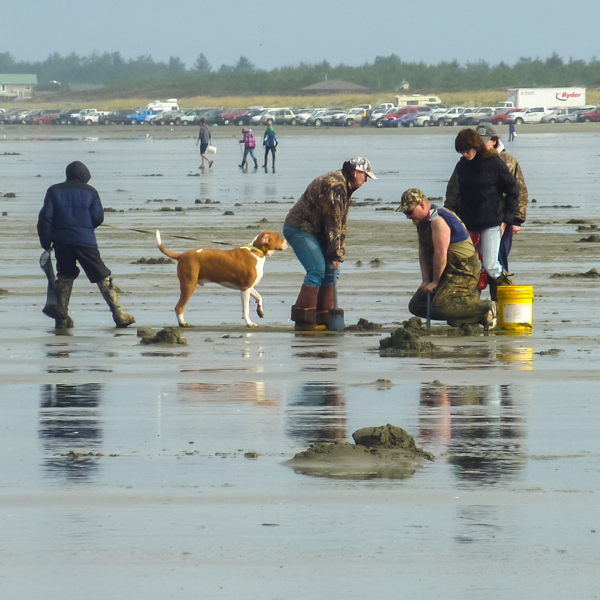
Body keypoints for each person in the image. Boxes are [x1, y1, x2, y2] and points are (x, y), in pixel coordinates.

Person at [37, 161, 135, 330]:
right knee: (101, 274)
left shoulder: (54, 190)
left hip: (61, 241)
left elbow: (45, 218)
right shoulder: (91, 191)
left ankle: (61, 319)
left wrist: (46, 241)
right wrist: (85, 227)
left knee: (65, 275)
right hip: (85, 241)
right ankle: (118, 314)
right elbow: (98, 217)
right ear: (85, 175)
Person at [283, 157, 377, 331]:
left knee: (332, 272)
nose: (365, 181)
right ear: (356, 172)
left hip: (318, 231)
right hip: (300, 228)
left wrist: (339, 253)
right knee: (316, 270)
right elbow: (333, 222)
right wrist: (334, 255)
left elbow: (340, 223)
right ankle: (304, 322)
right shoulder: (336, 186)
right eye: (365, 176)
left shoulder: (346, 185)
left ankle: (325, 317)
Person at [399, 189, 497, 330]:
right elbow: (423, 252)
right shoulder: (421, 222)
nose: (408, 217)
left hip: (463, 271)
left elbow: (440, 253)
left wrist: (435, 282)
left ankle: (485, 307)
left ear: (422, 205)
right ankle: (466, 316)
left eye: (409, 212)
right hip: (447, 270)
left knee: (441, 306)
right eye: (405, 213)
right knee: (416, 305)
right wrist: (426, 281)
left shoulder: (438, 220)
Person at [443, 128, 519, 301]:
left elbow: (513, 192)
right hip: (467, 223)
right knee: (470, 268)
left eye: (467, 150)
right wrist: (450, 219)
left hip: (491, 222)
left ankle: (512, 294)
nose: (464, 154)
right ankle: (471, 305)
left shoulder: (495, 163)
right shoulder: (461, 166)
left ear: (476, 146)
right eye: (461, 151)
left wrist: (507, 221)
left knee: (491, 266)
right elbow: (454, 193)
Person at [476, 122, 528, 273]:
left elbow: (520, 191)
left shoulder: (509, 162)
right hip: (475, 219)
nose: (480, 145)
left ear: (494, 141)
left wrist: (517, 220)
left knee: (497, 262)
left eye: (484, 141)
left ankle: (501, 288)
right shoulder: (470, 161)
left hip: (502, 220)